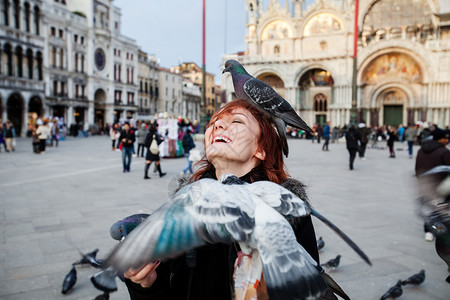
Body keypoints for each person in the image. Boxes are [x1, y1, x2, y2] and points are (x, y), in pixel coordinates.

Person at [124, 99, 338, 300]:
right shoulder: (183, 207)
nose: (218, 126)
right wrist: (146, 283)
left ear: (261, 149)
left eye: (237, 121)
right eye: (214, 122)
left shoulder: (286, 211)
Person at [415, 127, 450, 241]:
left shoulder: (421, 150)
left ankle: (428, 231)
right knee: (439, 211)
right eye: (445, 138)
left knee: (429, 209)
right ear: (440, 139)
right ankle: (438, 231)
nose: (446, 140)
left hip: (424, 183)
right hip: (440, 186)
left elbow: (417, 167)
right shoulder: (444, 151)